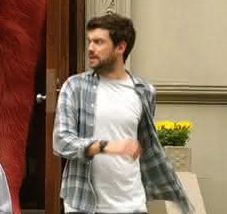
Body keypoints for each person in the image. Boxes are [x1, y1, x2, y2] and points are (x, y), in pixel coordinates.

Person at [52, 13, 192, 214]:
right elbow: (61, 141)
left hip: (132, 204)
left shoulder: (145, 91)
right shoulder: (75, 87)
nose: (90, 48)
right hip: (84, 204)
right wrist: (108, 146)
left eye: (99, 42)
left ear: (120, 47)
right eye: (90, 41)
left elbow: (149, 147)